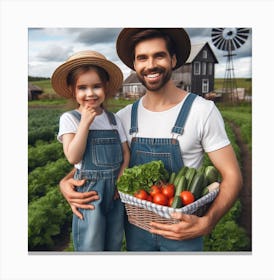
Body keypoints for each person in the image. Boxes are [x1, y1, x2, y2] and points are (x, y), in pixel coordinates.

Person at [59, 29, 242, 251]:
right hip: (135, 232)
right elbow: (101, 161)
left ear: (173, 60)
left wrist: (207, 222)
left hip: (182, 233)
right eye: (142, 58)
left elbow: (232, 176)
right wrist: (66, 182)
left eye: (159, 55)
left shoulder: (202, 110)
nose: (150, 65)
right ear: (135, 66)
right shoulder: (124, 117)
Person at [51, 50, 130, 251]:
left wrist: (120, 179)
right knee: (91, 244)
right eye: (82, 88)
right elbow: (73, 156)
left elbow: (125, 153)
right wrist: (85, 123)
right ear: (72, 90)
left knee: (113, 242)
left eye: (96, 86)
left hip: (115, 192)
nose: (90, 93)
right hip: (89, 193)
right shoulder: (70, 119)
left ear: (105, 88)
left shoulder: (114, 120)